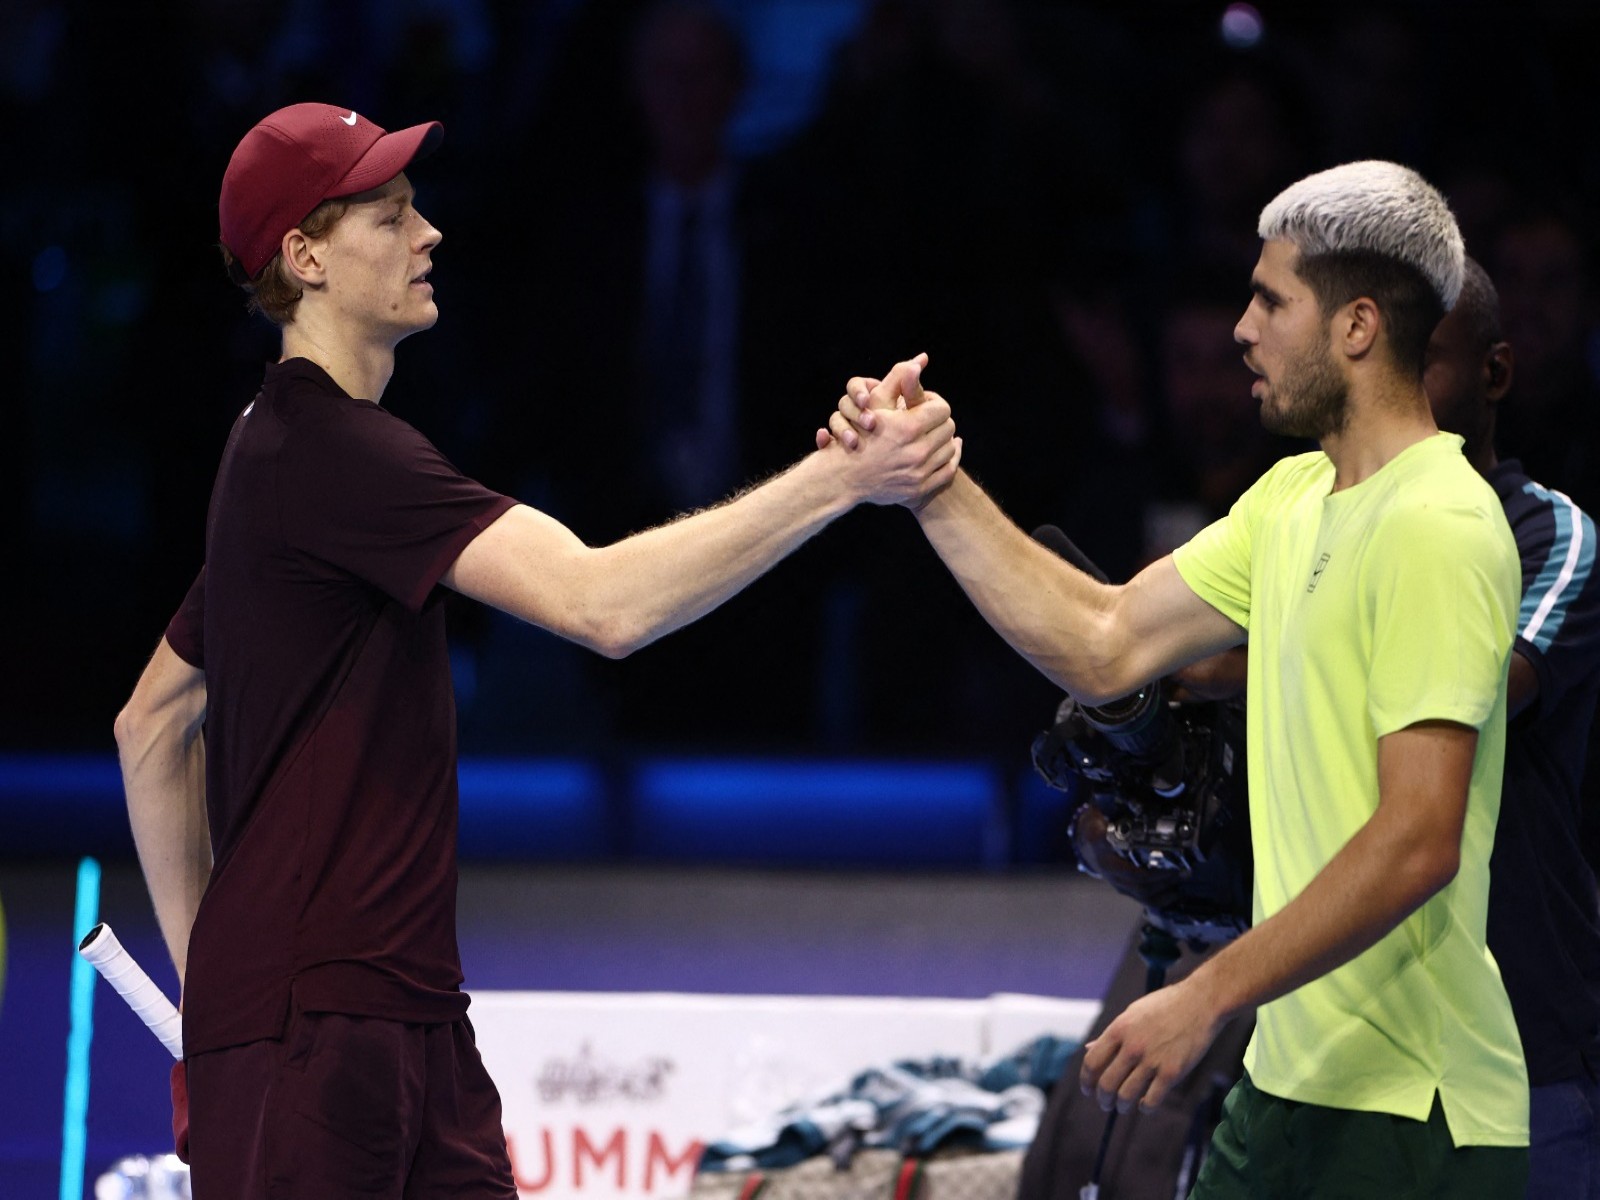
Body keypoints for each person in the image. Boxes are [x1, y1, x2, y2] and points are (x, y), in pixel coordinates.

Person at [112, 101, 958, 1199]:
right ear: (304, 256)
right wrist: (844, 478)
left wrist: (214, 995)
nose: (430, 235)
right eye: (390, 213)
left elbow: (150, 723)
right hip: (321, 1028)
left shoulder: (276, 456)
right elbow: (603, 605)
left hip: (387, 1016)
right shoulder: (329, 449)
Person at [826, 160, 1529, 1195]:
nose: (1241, 330)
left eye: (1270, 299)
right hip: (1284, 1083)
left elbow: (1418, 840)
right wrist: (927, 480)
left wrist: (1206, 994)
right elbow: (1102, 636)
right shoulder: (1293, 496)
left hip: (1409, 1111)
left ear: (1358, 327)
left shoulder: (1439, 520)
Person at [1425, 257, 1600, 1199]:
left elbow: (1471, 693)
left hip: (1528, 1054)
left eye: (1429, 365)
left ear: (1494, 374)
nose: (1395, 399)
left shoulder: (1551, 537)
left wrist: (1253, 662)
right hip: (1352, 1067)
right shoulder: (1300, 526)